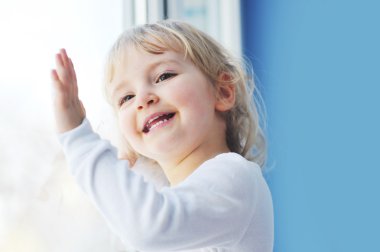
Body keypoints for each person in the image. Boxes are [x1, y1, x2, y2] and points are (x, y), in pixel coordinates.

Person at [50, 20, 273, 252]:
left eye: (164, 76)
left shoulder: (236, 177)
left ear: (223, 91)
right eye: (126, 98)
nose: (143, 98)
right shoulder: (170, 207)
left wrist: (78, 138)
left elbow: (148, 228)